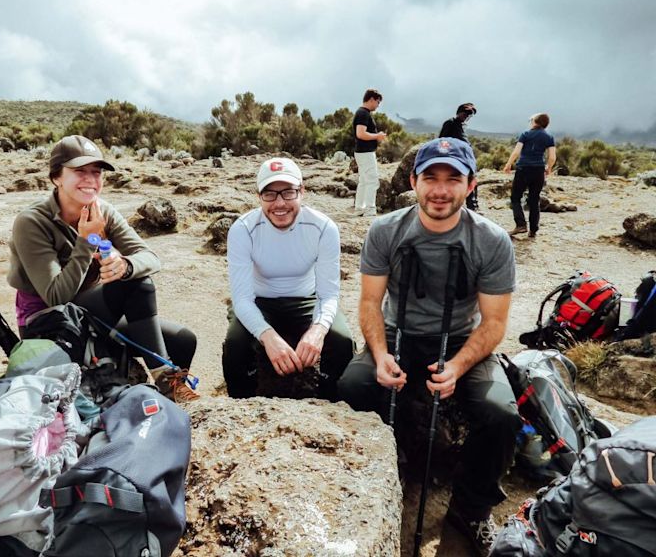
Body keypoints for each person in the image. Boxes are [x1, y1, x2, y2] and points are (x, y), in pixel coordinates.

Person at [338, 137, 520, 555]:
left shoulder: (491, 241)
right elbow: (369, 303)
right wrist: (381, 356)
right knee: (354, 386)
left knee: (501, 415)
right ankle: (383, 473)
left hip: (461, 341)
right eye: (430, 178)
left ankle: (471, 509)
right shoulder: (386, 230)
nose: (440, 190)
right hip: (398, 335)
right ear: (413, 181)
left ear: (471, 185)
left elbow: (493, 324)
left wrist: (456, 366)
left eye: (452, 179)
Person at [7, 134, 199, 402]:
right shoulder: (31, 222)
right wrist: (86, 241)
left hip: (90, 313)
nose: (90, 180)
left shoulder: (103, 210)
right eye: (79, 171)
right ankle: (165, 380)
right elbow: (56, 297)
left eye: (96, 172)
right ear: (56, 177)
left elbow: (150, 257)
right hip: (49, 323)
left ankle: (168, 397)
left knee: (183, 340)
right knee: (137, 285)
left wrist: (126, 265)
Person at [223, 157, 354, 401]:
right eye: (270, 194)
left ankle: (332, 404)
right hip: (259, 301)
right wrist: (268, 337)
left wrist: (318, 330)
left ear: (302, 191)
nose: (279, 203)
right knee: (236, 345)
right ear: (258, 196)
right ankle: (241, 406)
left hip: (306, 299)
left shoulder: (323, 228)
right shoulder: (243, 230)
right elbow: (241, 299)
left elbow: (329, 294)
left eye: (288, 192)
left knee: (342, 340)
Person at [503, 113, 556, 239]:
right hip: (538, 170)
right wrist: (548, 168)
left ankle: (521, 224)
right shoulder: (549, 136)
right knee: (534, 200)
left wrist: (509, 164)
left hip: (523, 169)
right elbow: (552, 157)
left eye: (531, 120)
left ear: (535, 122)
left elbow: (516, 151)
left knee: (515, 197)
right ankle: (533, 230)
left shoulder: (526, 134)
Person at [352, 89, 387, 217]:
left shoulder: (361, 112)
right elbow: (360, 134)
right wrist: (377, 136)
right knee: (372, 180)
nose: (378, 105)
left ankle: (360, 208)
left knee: (364, 180)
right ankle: (370, 209)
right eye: (377, 102)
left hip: (361, 152)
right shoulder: (363, 114)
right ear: (371, 99)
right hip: (366, 152)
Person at [439, 103, 479, 211]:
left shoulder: (461, 126)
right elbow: (442, 140)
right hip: (455, 158)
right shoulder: (450, 123)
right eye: (465, 114)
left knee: (472, 179)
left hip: (465, 158)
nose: (467, 117)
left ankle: (473, 207)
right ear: (459, 113)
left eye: (469, 115)